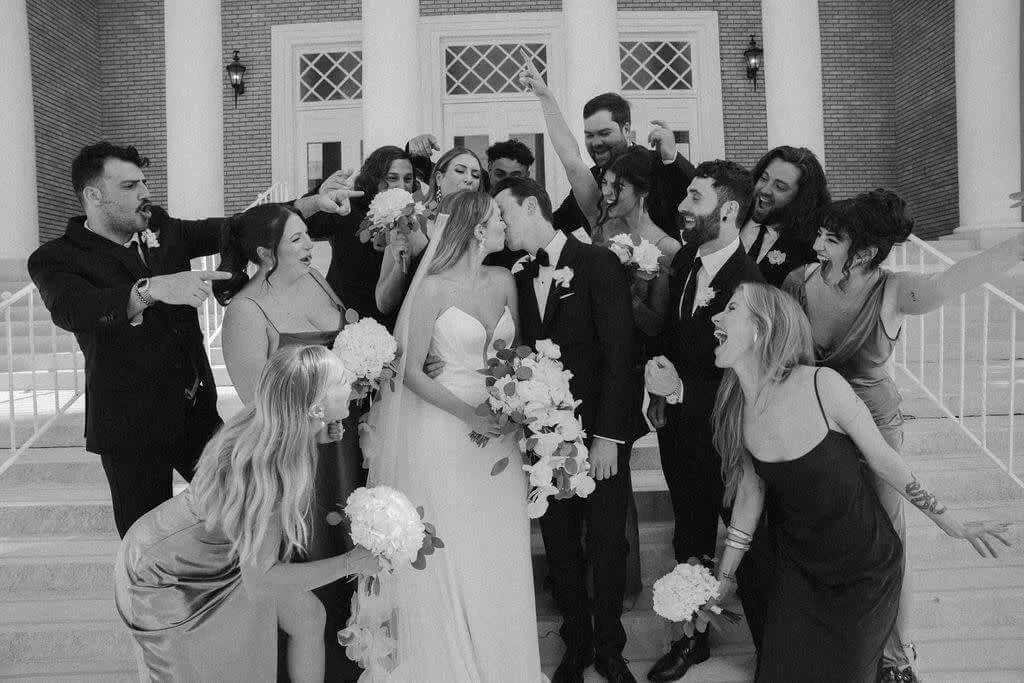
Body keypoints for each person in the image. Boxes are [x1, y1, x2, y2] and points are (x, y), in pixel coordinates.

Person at [702, 282, 1010, 682]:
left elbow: (885, 461)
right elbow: (749, 495)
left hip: (864, 568)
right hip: (799, 572)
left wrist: (950, 521)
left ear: (763, 327)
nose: (716, 316)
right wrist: (724, 578)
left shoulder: (821, 385)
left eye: (730, 308)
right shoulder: (738, 410)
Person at [782, 188, 1024, 681]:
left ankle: (896, 658)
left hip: (874, 423)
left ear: (865, 253)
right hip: (812, 421)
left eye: (832, 239)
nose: (818, 245)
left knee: (889, 537)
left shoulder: (894, 291)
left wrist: (1018, 245)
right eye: (822, 234)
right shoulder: (797, 281)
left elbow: (955, 278)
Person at [352, 190, 542, 681]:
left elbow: (516, 350)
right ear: (477, 227)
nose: (504, 223)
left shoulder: (504, 281)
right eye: (497, 216)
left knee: (500, 547)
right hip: (445, 426)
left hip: (501, 432)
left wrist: (522, 399)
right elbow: (412, 371)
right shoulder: (432, 288)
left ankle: (507, 665)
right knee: (454, 544)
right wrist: (467, 413)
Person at [114, 344, 382, 682]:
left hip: (216, 553)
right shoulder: (270, 471)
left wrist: (316, 433)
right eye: (342, 381)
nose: (351, 385)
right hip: (167, 573)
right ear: (314, 407)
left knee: (307, 616)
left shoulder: (276, 416)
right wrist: (351, 562)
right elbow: (262, 581)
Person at [217, 202, 370, 680]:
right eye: (297, 240)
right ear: (265, 253)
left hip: (343, 443)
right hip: (293, 458)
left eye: (308, 236)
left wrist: (362, 376)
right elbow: (257, 406)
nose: (310, 247)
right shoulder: (246, 311)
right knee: (309, 559)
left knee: (350, 537)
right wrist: (313, 425)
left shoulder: (318, 281)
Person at [495, 177, 639, 683]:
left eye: (504, 212)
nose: (501, 224)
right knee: (559, 543)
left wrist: (608, 436)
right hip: (545, 437)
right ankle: (575, 644)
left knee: (605, 542)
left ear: (530, 205)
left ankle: (610, 647)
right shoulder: (515, 273)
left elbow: (622, 353)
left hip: (598, 433)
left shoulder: (597, 263)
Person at [643, 160, 763, 682]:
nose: (683, 207)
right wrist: (661, 396)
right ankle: (693, 642)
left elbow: (751, 378)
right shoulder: (689, 258)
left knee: (751, 549)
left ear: (728, 209)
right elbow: (676, 337)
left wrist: (683, 390)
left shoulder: (750, 285)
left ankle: (773, 648)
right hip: (681, 434)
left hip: (730, 441)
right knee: (687, 536)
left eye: (695, 198)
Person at [547, 90, 694, 239]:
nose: (596, 142)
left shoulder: (659, 164)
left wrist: (672, 158)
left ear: (626, 130)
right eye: (589, 135)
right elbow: (556, 224)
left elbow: (701, 197)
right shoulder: (590, 180)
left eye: (604, 133)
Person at [304, 145, 423, 330]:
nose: (401, 185)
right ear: (374, 178)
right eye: (392, 178)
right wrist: (319, 194)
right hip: (343, 320)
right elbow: (307, 226)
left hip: (390, 323)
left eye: (408, 179)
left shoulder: (413, 220)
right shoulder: (347, 209)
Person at [375, 146, 484, 316]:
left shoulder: (484, 229)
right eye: (460, 171)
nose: (469, 179)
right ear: (439, 178)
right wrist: (399, 266)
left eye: (475, 175)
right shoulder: (411, 224)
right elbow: (383, 303)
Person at [739, 145, 829, 287]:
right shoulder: (733, 218)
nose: (765, 190)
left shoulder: (811, 248)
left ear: (801, 199)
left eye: (780, 187)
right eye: (763, 178)